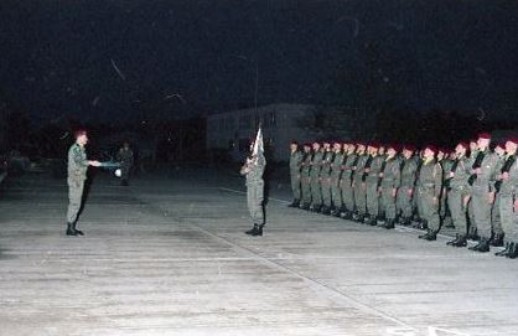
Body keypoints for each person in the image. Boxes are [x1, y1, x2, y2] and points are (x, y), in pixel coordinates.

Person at [66, 129, 101, 236]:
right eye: (85, 137)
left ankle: (72, 226)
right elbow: (79, 161)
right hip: (76, 179)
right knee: (75, 203)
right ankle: (70, 228)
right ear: (79, 137)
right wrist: (91, 162)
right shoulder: (76, 149)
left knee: (77, 203)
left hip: (79, 178)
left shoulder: (80, 148)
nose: (87, 139)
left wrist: (91, 162)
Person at [468, 133, 500, 253]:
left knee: (485, 216)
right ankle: (481, 240)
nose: (480, 142)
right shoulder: (476, 155)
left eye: (482, 140)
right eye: (479, 140)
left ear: (487, 142)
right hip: (476, 187)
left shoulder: (493, 157)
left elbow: (497, 175)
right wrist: (474, 170)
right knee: (477, 215)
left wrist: (492, 191)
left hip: (486, 188)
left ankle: (485, 242)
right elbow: (468, 169)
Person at [445, 142, 471, 247]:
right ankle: (458, 236)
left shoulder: (466, 162)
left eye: (458, 147)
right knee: (455, 215)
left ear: (464, 149)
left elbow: (470, 178)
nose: (456, 148)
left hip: (460, 191)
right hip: (453, 190)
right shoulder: (457, 161)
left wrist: (467, 194)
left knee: (459, 215)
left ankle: (462, 238)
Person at [241, 132, 267, 237]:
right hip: (250, 184)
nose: (252, 146)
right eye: (251, 145)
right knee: (250, 206)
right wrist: (246, 168)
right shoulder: (250, 157)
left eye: (253, 144)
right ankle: (255, 225)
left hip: (257, 184)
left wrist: (251, 164)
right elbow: (242, 171)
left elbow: (260, 166)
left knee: (257, 205)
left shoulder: (261, 158)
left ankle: (259, 227)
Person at [496, 138, 518, 258]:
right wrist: (500, 176)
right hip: (504, 193)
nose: (507, 145)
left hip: (513, 195)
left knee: (513, 222)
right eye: (507, 143)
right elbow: (498, 174)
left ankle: (514, 248)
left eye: (510, 144)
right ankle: (508, 246)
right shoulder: (505, 159)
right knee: (505, 222)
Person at [417, 145, 443, 241]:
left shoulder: (436, 165)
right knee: (426, 212)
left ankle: (433, 232)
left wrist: (436, 195)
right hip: (423, 190)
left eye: (427, 150)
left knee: (432, 212)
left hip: (431, 191)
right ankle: (429, 230)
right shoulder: (424, 163)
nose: (425, 152)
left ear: (432, 152)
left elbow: (438, 181)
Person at [379, 145, 401, 229]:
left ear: (394, 152)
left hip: (390, 184)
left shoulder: (395, 161)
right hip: (384, 183)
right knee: (386, 202)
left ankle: (391, 221)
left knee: (390, 203)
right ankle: (387, 219)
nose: (388, 150)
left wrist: (395, 187)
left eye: (390, 149)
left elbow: (397, 176)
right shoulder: (386, 160)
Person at [397, 145, 418, 226]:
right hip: (400, 183)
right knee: (399, 201)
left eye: (406, 151)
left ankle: (407, 217)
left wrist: (411, 187)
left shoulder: (411, 163)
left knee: (405, 201)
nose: (404, 152)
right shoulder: (402, 161)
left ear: (410, 152)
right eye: (404, 150)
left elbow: (413, 176)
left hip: (407, 184)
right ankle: (401, 216)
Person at [288, 141, 303, 207]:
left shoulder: (298, 153)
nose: (292, 146)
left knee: (296, 187)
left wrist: (299, 172)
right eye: (291, 145)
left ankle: (297, 201)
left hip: (297, 172)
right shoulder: (292, 153)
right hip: (292, 172)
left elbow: (301, 163)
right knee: (294, 187)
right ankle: (296, 199)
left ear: (296, 146)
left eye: (294, 145)